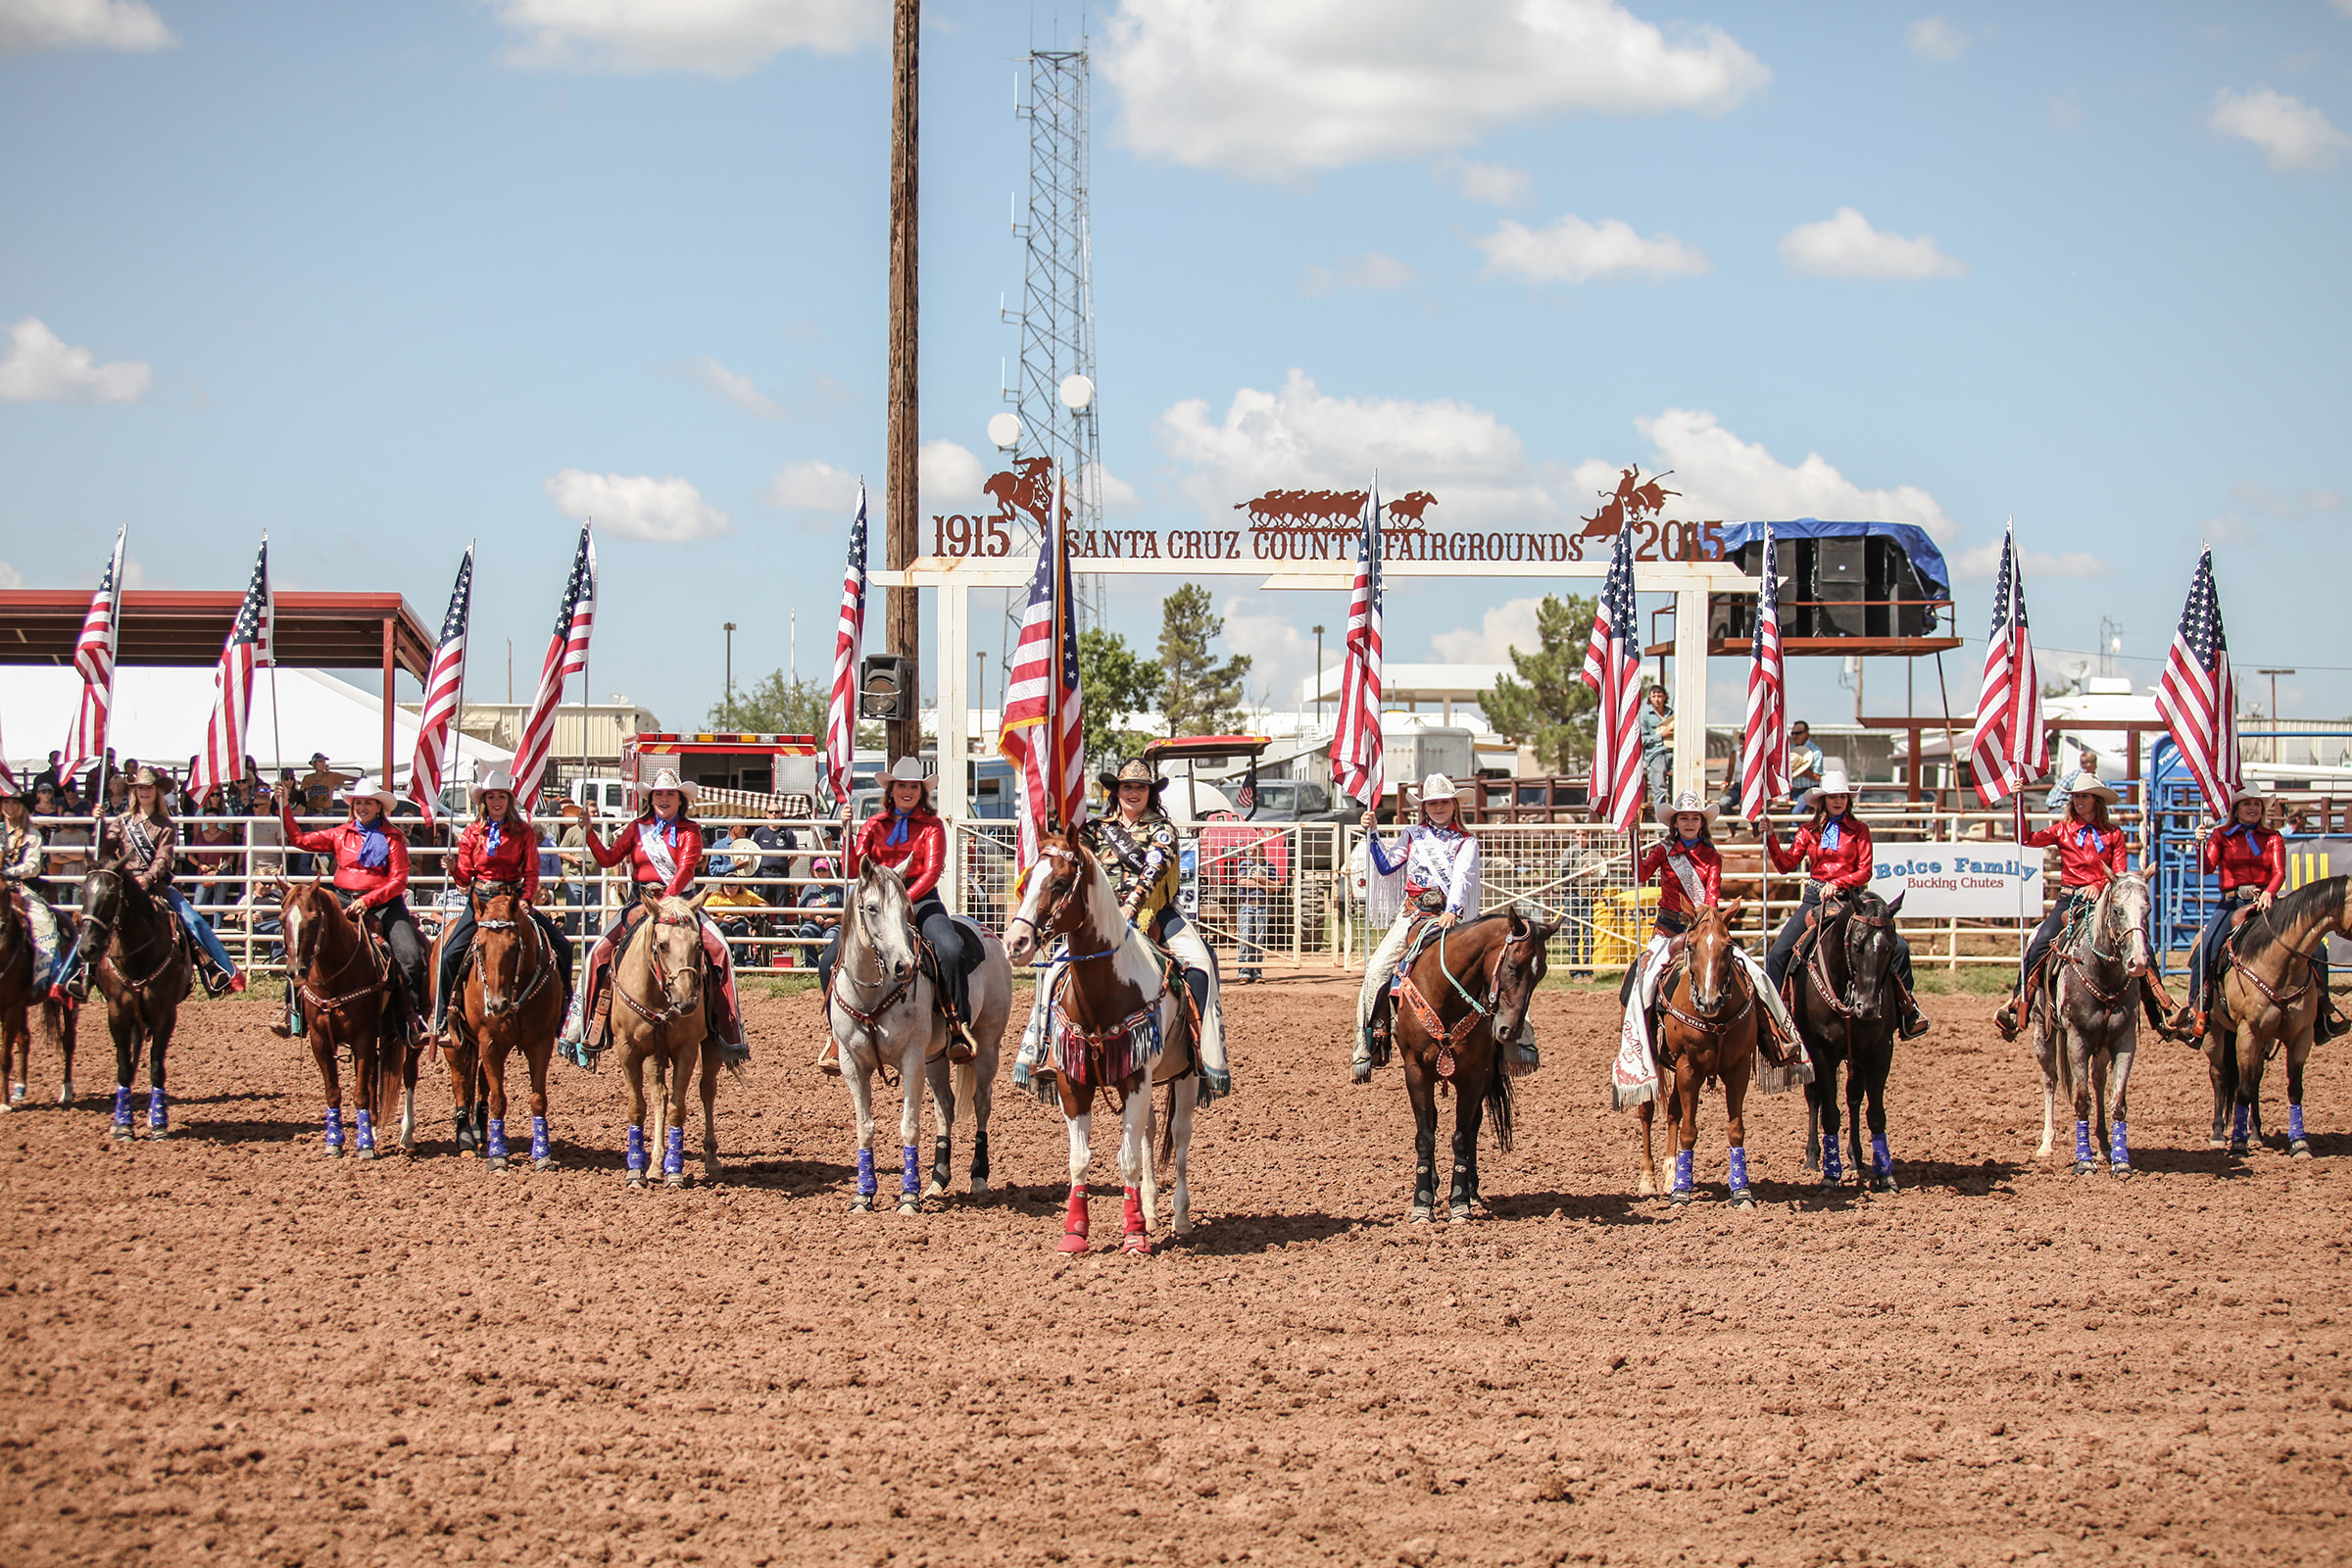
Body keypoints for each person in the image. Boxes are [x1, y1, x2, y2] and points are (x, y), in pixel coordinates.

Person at [1057, 758, 1230, 1095]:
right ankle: (1041, 1049)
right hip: (1100, 919)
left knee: (1202, 964)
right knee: (1053, 971)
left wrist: (1131, 906)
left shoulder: (1163, 828)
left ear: (1150, 793)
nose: (1134, 792)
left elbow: (1154, 870)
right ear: (1116, 791)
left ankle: (1203, 1052)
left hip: (1154, 912)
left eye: (1141, 787)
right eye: (1127, 787)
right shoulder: (1094, 830)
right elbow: (1076, 864)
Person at [557, 768, 747, 1064]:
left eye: (670, 793)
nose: (664, 798)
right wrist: (590, 833)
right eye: (659, 793)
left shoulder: (690, 830)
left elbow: (685, 869)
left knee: (720, 950)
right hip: (641, 903)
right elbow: (608, 858)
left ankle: (729, 1032)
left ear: (680, 799)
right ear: (651, 798)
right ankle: (586, 1030)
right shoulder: (636, 828)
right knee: (598, 954)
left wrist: (668, 903)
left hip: (681, 903)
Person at [1991, 774, 2180, 1042]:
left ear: (2096, 800)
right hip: (2070, 900)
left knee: (2142, 948)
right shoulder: (2063, 830)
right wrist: (2017, 803)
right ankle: (2016, 1004)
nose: (2079, 801)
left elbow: (2120, 875)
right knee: (2041, 942)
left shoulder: (2113, 834)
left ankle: (2162, 1011)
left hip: (2104, 905)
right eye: (2076, 796)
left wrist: (2099, 884)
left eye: (2084, 796)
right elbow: (2027, 838)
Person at [816, 758, 974, 1071]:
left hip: (921, 900)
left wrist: (902, 904)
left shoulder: (932, 826)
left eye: (913, 786)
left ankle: (958, 1025)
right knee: (827, 961)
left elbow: (932, 871)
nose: (907, 791)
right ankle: (836, 1035)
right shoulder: (874, 825)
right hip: (876, 904)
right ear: (890, 789)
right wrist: (845, 833)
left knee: (950, 950)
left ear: (921, 792)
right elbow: (854, 868)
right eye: (901, 785)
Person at [1758, 767, 1928, 1040]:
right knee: (1778, 954)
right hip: (1814, 900)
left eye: (1843, 796)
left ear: (1849, 800)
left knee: (1899, 949)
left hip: (1852, 901)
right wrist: (1771, 839)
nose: (1838, 801)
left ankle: (1908, 1009)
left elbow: (1865, 870)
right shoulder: (1808, 831)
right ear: (1822, 800)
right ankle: (1773, 1018)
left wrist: (1839, 883)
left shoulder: (1860, 831)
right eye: (1832, 796)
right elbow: (1785, 865)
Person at [55, 767, 243, 1001]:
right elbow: (104, 849)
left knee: (192, 919)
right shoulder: (122, 822)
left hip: (155, 886)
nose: (144, 792)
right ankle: (78, 975)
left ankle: (214, 969)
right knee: (94, 918)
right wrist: (99, 823)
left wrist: (148, 878)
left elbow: (163, 858)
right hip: (122, 884)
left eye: (148, 788)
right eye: (140, 788)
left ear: (157, 792)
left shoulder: (165, 825)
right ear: (134, 792)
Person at [271, 778, 425, 1039]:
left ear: (379, 808)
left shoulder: (394, 838)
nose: (362, 807)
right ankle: (294, 1011)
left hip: (385, 904)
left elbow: (398, 881)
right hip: (342, 898)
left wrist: (368, 901)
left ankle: (411, 1017)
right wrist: (284, 805)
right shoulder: (339, 834)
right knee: (303, 939)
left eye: (368, 803)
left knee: (410, 955)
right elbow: (298, 839)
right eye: (358, 803)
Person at [1355, 773, 1483, 1083]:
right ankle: (1369, 1041)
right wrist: (1372, 833)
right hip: (1413, 914)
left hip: (1449, 916)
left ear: (1454, 805)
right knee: (1375, 970)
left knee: (1493, 969)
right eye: (1432, 803)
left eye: (1443, 802)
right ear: (1425, 808)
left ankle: (1516, 1042)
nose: (1438, 807)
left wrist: (1452, 911)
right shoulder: (1413, 835)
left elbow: (1463, 878)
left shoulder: (1466, 841)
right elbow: (1387, 865)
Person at [429, 767, 574, 1039]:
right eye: (490, 796)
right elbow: (465, 875)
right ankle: (441, 1017)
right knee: (449, 954)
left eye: (501, 796)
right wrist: (452, 868)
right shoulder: (472, 834)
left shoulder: (523, 833)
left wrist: (527, 900)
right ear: (484, 801)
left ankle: (565, 1014)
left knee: (563, 947)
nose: (496, 801)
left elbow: (532, 872)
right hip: (481, 901)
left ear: (509, 800)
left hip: (513, 900)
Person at [2, 786, 67, 993]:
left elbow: (34, 866)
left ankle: (44, 975)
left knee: (45, 922)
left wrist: (11, 872)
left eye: (14, 803)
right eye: (6, 802)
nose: (10, 807)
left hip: (21, 888)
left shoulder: (32, 835)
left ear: (22, 807)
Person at [1233, 832, 1283, 983]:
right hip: (1247, 904)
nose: (1251, 853)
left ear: (1262, 851)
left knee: (1259, 939)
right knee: (1245, 937)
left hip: (1263, 904)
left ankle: (1257, 972)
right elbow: (1242, 883)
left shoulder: (1270, 866)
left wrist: (1260, 879)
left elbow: (1277, 887)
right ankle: (1244, 972)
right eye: (1250, 850)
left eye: (1254, 850)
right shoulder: (1244, 865)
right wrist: (1265, 884)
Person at [1639, 687, 1675, 815]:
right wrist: (1661, 736)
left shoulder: (1672, 714)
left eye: (1659, 696)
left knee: (1677, 788)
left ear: (1665, 697)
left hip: (1674, 752)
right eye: (1654, 696)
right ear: (1650, 698)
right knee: (1660, 790)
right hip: (1656, 754)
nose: (1657, 699)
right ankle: (1662, 825)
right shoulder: (1645, 716)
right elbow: (1641, 739)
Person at [2044, 745, 2101, 814]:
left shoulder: (2077, 774)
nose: (2096, 767)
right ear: (2090, 764)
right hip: (2058, 807)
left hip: (2057, 806)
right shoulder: (2080, 777)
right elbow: (2076, 795)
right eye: (2095, 764)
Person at [1785, 722, 1826, 808]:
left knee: (1796, 814)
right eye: (1793, 733)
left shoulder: (1815, 752)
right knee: (1796, 815)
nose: (1795, 736)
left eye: (1798, 733)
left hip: (1809, 790)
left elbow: (1818, 777)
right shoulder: (1791, 750)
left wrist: (1801, 768)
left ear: (1806, 734)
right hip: (1794, 790)